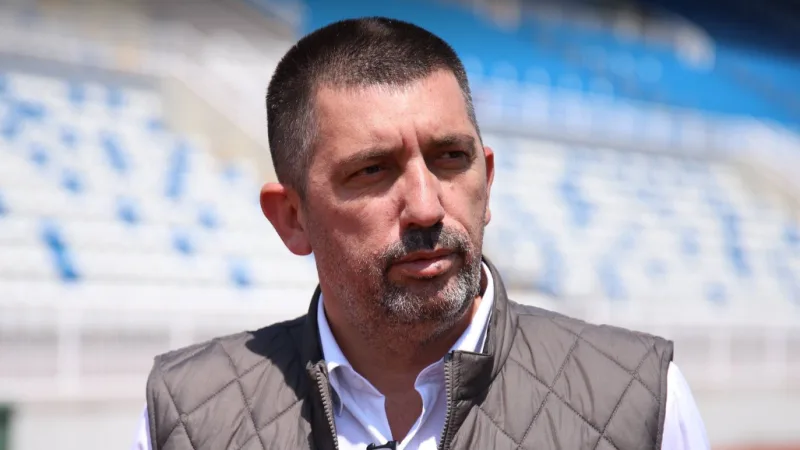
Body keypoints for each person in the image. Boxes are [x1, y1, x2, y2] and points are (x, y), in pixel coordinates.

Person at [133, 17, 709, 450]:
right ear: (291, 218)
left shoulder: (640, 400)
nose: (428, 208)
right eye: (372, 170)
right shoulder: (187, 418)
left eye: (451, 158)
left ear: (488, 181)